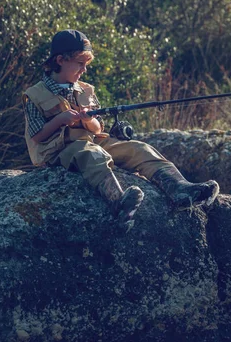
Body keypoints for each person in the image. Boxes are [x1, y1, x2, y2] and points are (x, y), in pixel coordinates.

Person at [23, 29, 219, 227]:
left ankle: (180, 189)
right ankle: (119, 202)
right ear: (60, 60)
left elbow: (98, 128)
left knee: (139, 148)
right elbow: (37, 136)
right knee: (92, 155)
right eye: (80, 63)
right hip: (59, 152)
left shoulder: (86, 89)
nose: (84, 69)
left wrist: (87, 120)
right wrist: (60, 120)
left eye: (86, 64)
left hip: (92, 140)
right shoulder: (35, 95)